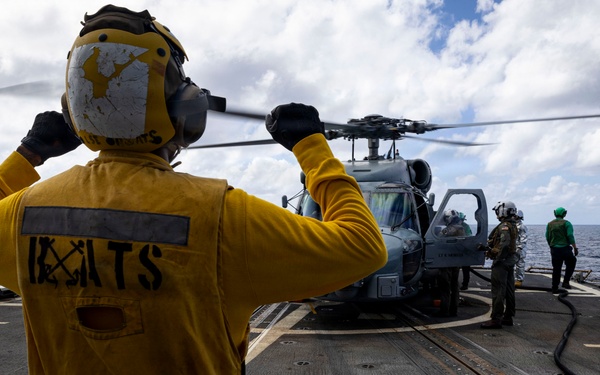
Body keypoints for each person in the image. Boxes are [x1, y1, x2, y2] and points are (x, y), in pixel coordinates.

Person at [0, 5, 387, 374]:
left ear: (74, 110)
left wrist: (27, 155)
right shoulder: (224, 217)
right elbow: (363, 247)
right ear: (185, 108)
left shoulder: (22, 215)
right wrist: (312, 147)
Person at [480, 201, 518, 329]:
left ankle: (496, 319)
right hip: (510, 261)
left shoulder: (504, 227)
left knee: (498, 290)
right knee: (509, 289)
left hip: (502, 262)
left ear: (503, 211)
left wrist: (496, 257)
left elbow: (505, 244)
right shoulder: (513, 225)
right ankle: (508, 316)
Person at [435, 209, 465, 317]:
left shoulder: (450, 229)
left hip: (446, 261)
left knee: (445, 286)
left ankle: (444, 310)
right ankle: (454, 310)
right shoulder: (461, 228)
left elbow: (438, 237)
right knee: (454, 286)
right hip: (456, 261)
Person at [546, 207, 578, 293]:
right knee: (572, 262)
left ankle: (554, 287)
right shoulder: (567, 224)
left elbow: (547, 237)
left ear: (555, 213)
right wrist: (575, 248)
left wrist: (551, 246)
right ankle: (566, 281)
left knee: (556, 268)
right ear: (564, 214)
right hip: (565, 249)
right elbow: (570, 236)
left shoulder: (550, 224)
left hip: (554, 249)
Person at [458, 212, 473, 290]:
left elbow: (468, 237)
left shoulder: (465, 226)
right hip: (461, 249)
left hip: (464, 250)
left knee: (465, 269)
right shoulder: (465, 226)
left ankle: (465, 284)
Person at [514, 210, 528, 287]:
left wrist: (519, 247)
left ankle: (519, 279)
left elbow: (523, 239)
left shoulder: (522, 227)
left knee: (520, 264)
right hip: (514, 247)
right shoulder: (513, 226)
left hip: (520, 249)